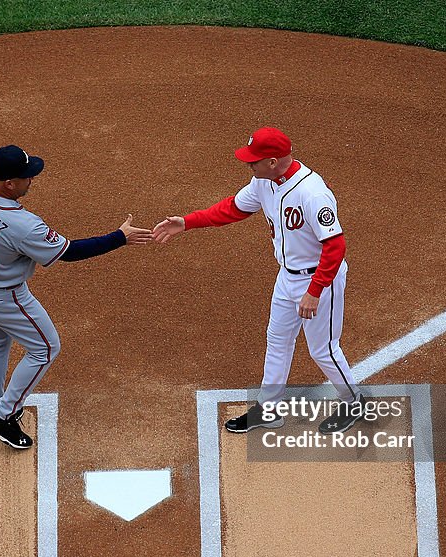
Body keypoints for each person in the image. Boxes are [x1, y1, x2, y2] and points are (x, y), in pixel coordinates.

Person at [153, 127, 366, 435]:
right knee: (277, 340)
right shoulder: (263, 182)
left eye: (254, 160)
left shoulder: (312, 193)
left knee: (323, 350)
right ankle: (269, 410)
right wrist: (187, 222)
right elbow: (233, 209)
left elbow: (335, 246)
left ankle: (353, 402)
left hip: (320, 280)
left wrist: (314, 291)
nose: (248, 164)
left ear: (273, 161)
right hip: (287, 277)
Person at [0, 145, 152, 449]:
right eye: (26, 177)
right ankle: (1, 417)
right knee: (46, 348)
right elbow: (69, 252)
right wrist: (120, 237)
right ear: (9, 184)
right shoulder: (23, 225)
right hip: (3, 296)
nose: (31, 180)